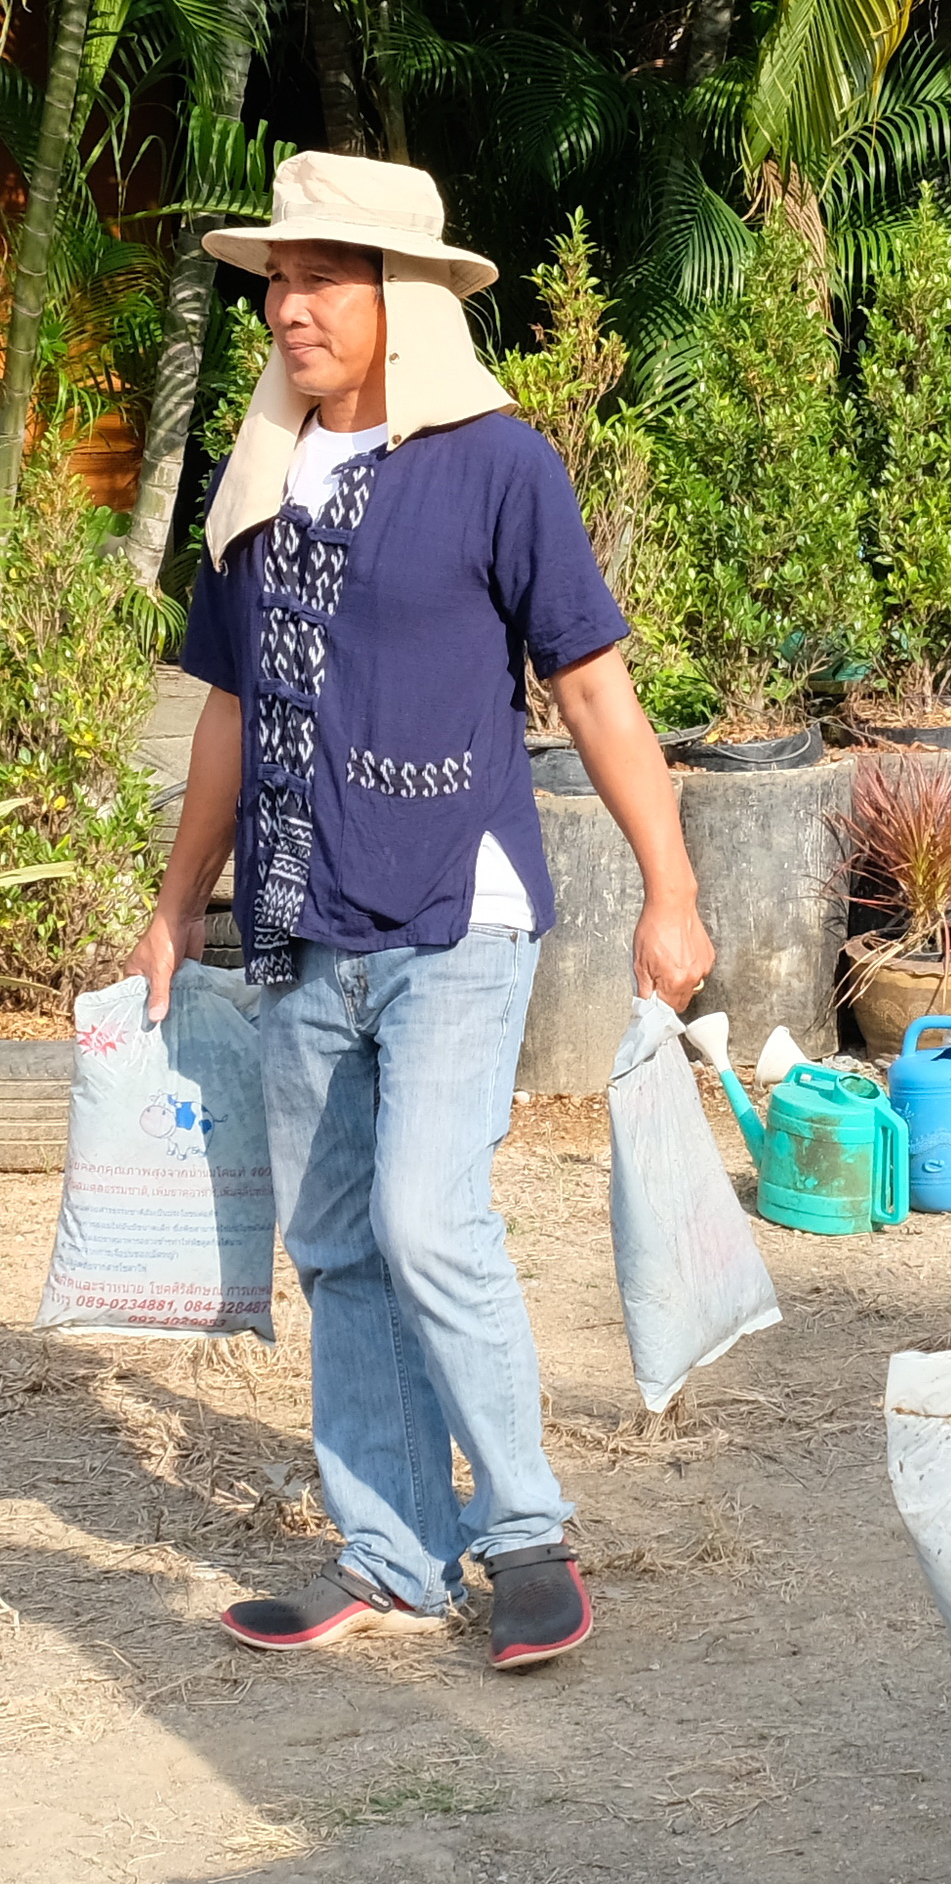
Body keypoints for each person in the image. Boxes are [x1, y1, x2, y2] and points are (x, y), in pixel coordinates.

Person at [127, 153, 713, 1671]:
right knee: (333, 1238)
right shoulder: (255, 485)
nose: (291, 308)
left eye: (325, 279)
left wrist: (672, 885)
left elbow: (590, 680)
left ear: (399, 300)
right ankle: (390, 1551)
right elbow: (227, 712)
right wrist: (177, 904)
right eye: (278, 280)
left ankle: (525, 1537)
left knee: (422, 1215)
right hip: (300, 919)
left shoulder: (496, 464)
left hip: (461, 909)